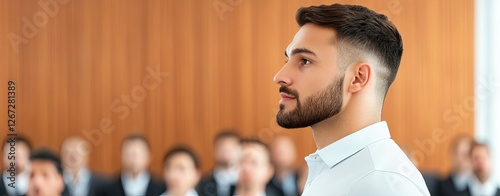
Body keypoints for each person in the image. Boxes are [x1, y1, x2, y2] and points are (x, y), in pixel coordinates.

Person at [273, 3, 430, 195]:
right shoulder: (332, 169)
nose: (279, 76)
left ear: (358, 78)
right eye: (287, 60)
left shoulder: (382, 184)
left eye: (305, 61)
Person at [97, 134, 165, 196]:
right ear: (121, 156)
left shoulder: (162, 187)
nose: (133, 159)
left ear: (149, 157)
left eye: (138, 154)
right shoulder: (106, 189)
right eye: (128, 154)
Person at [197, 131, 242, 196]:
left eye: (232, 146)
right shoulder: (201, 184)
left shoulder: (250, 182)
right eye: (222, 145)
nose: (227, 149)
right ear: (214, 150)